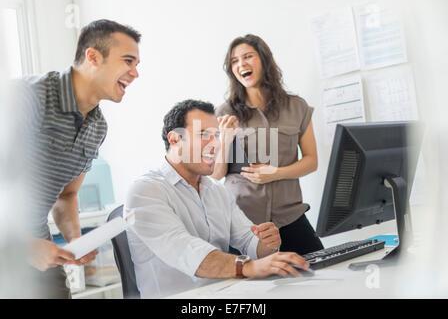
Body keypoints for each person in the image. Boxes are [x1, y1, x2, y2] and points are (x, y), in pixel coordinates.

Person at [124, 99, 310, 298]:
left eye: (216, 135)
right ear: (175, 139)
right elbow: (186, 250)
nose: (215, 144)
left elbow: (248, 240)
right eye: (203, 134)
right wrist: (248, 267)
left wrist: (267, 243)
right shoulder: (145, 191)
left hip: (226, 294)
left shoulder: (216, 191)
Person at [17, 19, 141, 298]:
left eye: (137, 64)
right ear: (93, 57)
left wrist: (76, 242)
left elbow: (67, 195)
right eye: (128, 61)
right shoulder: (27, 98)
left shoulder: (98, 127)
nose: (135, 73)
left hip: (40, 251)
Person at [212, 34, 324, 256]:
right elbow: (215, 174)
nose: (241, 64)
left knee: (321, 270)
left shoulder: (297, 107)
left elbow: (311, 161)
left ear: (264, 60)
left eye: (247, 57)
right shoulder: (223, 113)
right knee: (253, 289)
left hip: (290, 216)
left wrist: (276, 173)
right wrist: (225, 138)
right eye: (234, 61)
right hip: (244, 223)